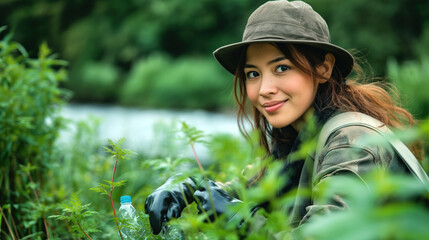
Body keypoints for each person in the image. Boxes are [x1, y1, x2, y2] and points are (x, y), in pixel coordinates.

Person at [145, 0, 425, 236]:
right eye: (253, 74)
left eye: (281, 67)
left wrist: (241, 222)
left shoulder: (352, 139)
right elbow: (245, 189)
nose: (264, 89)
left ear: (324, 68)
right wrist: (186, 187)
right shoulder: (300, 137)